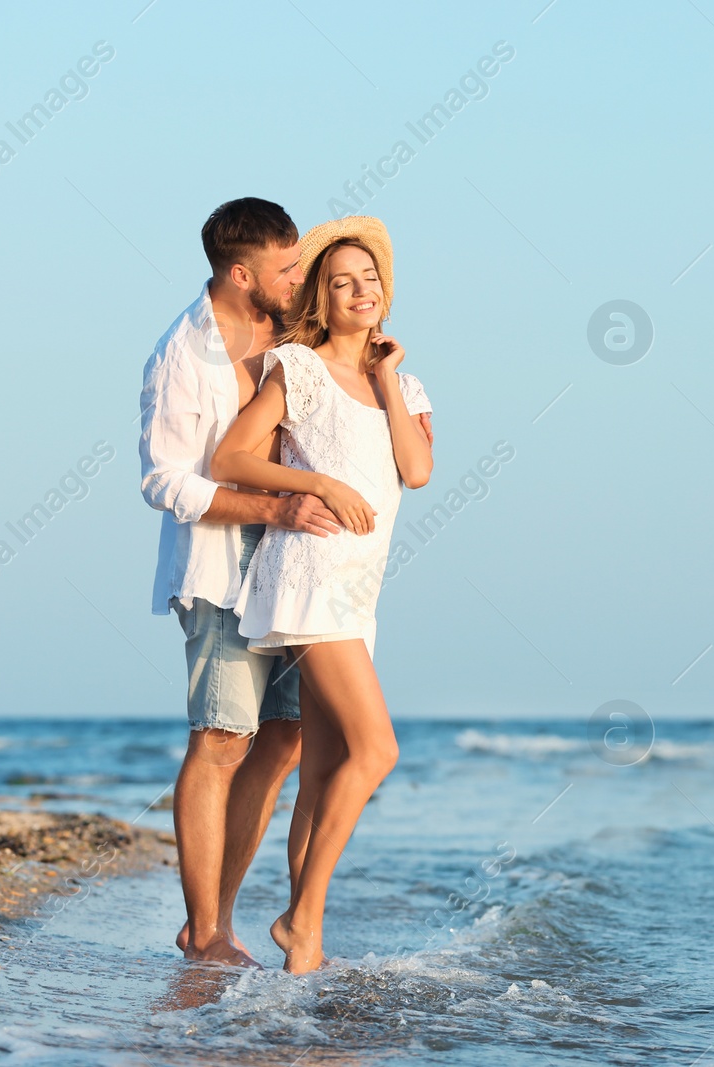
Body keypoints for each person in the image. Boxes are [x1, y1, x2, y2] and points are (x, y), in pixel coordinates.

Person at [210, 216, 433, 973]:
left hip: (359, 591)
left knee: (322, 770)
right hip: (308, 578)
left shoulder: (402, 383)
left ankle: (303, 953)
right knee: (378, 749)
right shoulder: (297, 369)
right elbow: (232, 455)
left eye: (368, 279)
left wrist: (388, 383)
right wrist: (318, 481)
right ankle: (301, 919)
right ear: (322, 298)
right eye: (341, 282)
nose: (359, 291)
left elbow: (418, 469)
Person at [139, 198, 343, 967]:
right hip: (220, 569)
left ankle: (215, 920)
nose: (300, 277)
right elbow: (163, 480)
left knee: (287, 737)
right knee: (221, 740)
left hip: (296, 568)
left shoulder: (294, 330)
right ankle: (206, 934)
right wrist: (272, 506)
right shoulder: (182, 353)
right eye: (286, 267)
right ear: (239, 272)